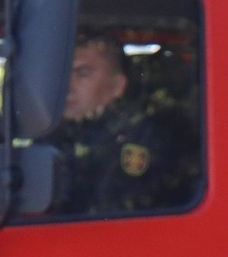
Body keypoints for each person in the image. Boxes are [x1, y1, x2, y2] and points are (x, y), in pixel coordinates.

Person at [49, 35, 167, 216]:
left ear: (117, 86)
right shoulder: (51, 133)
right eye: (63, 73)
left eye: (83, 74)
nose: (68, 86)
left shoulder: (137, 138)